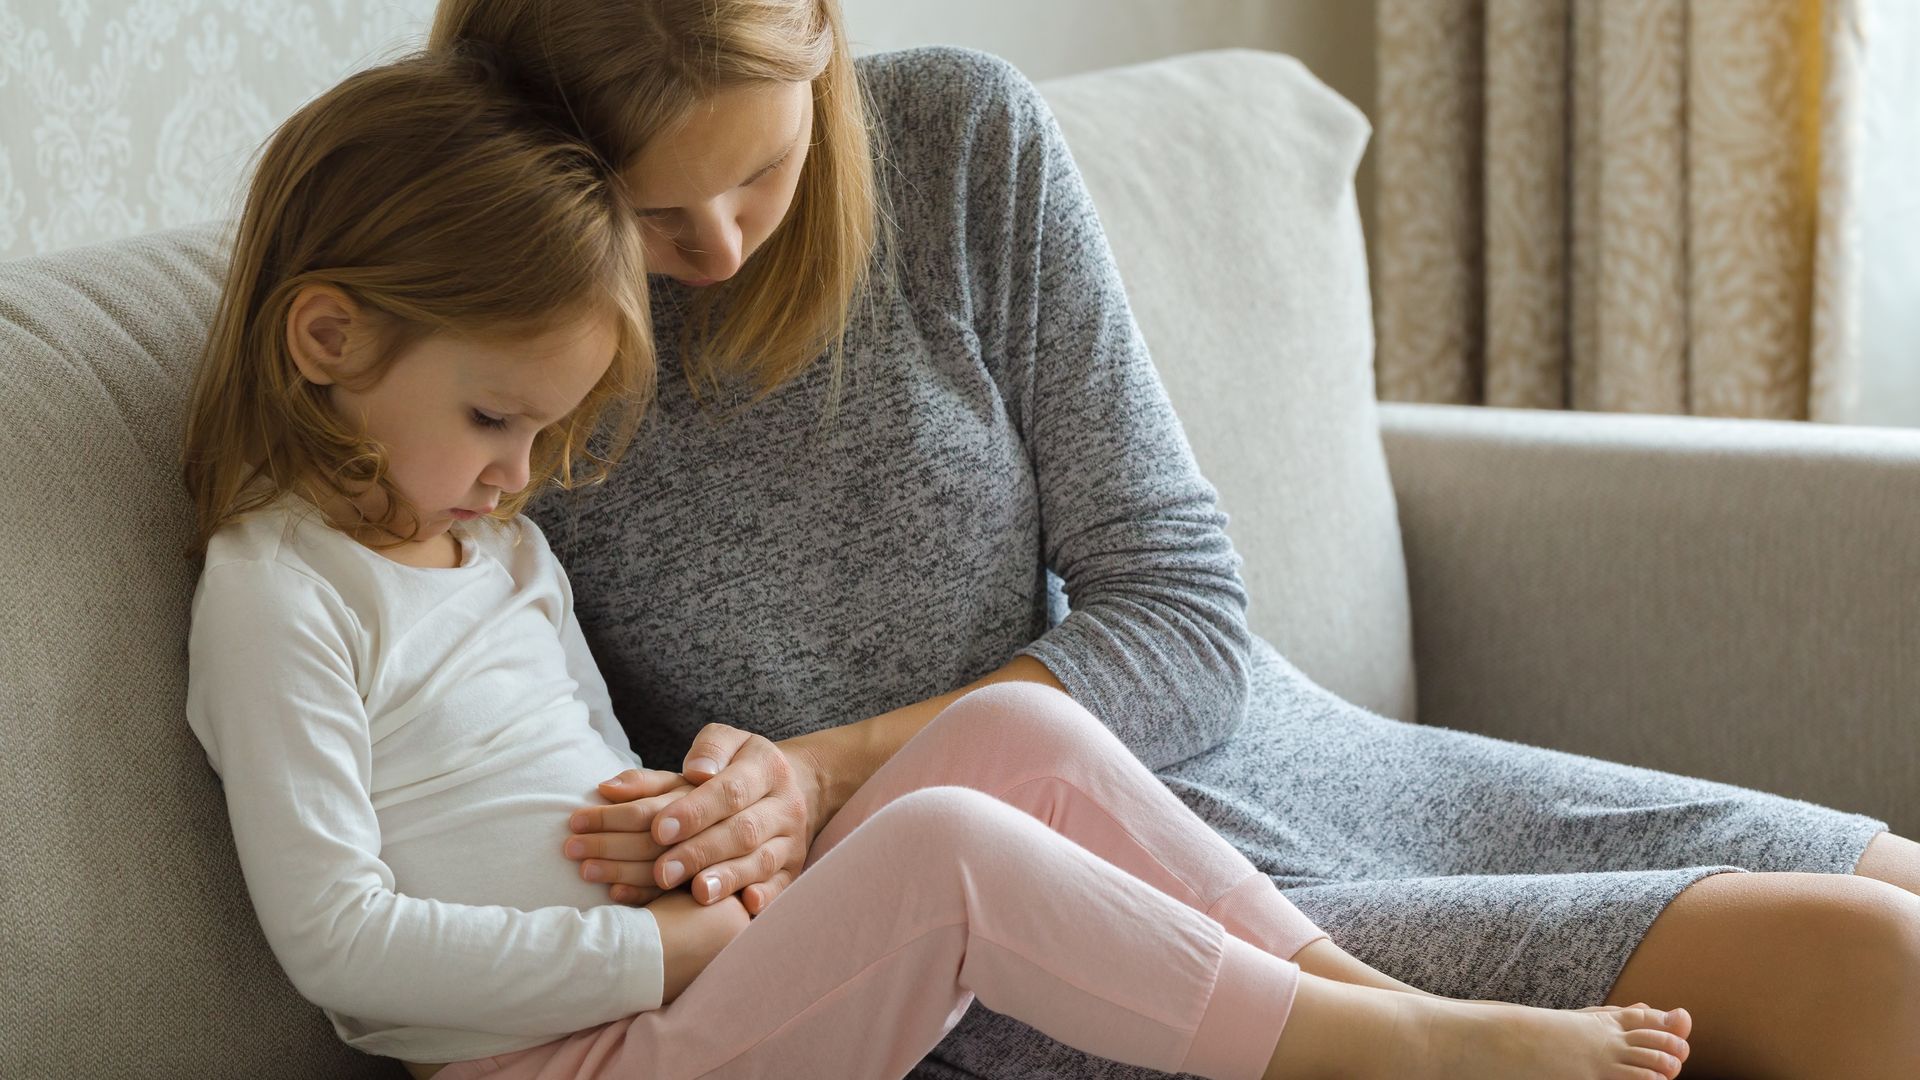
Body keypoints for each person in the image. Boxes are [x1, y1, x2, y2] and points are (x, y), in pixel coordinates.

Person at [425, 2, 1920, 1078]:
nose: (719, 247)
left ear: (820, 41)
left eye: (761, 170)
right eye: (654, 208)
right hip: (1047, 918)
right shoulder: (483, 364)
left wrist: (818, 765)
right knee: (1874, 969)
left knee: (1900, 888)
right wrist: (755, 822)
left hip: (1274, 755)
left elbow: (1183, 613)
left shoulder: (956, 138)